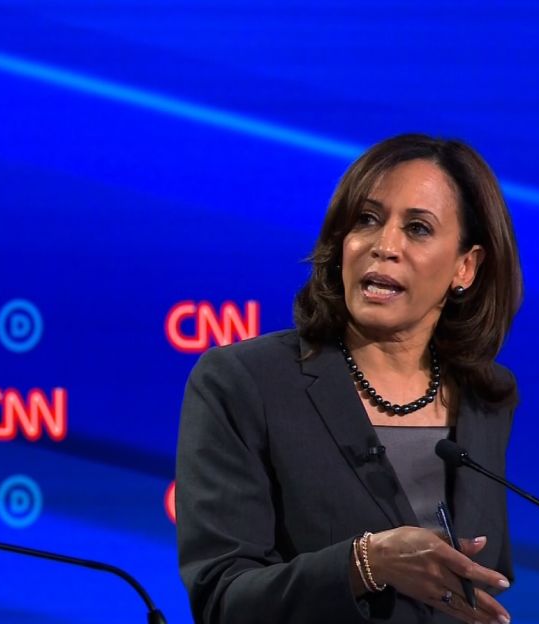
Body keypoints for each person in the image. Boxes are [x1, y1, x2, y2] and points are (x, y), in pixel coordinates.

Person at [176, 134, 521, 624]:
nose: (384, 246)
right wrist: (368, 563)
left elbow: (488, 580)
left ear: (465, 266)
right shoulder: (243, 383)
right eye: (366, 220)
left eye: (418, 228)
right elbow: (223, 601)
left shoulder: (487, 397)